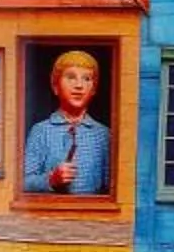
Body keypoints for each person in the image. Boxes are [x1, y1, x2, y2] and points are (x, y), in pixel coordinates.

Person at [22, 50, 110, 195]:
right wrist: (50, 180)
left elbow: (112, 187)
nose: (79, 85)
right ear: (55, 86)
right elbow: (24, 182)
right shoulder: (41, 131)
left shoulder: (104, 135)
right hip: (51, 212)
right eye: (71, 77)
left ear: (93, 89)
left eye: (87, 79)